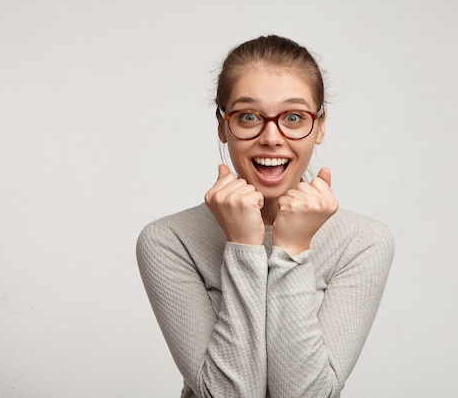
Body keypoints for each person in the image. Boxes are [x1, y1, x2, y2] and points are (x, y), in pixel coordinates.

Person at [136, 35, 394, 398]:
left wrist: (292, 249)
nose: (272, 137)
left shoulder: (363, 240)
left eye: (293, 117)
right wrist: (243, 246)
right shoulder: (168, 240)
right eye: (248, 116)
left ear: (319, 126)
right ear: (223, 126)